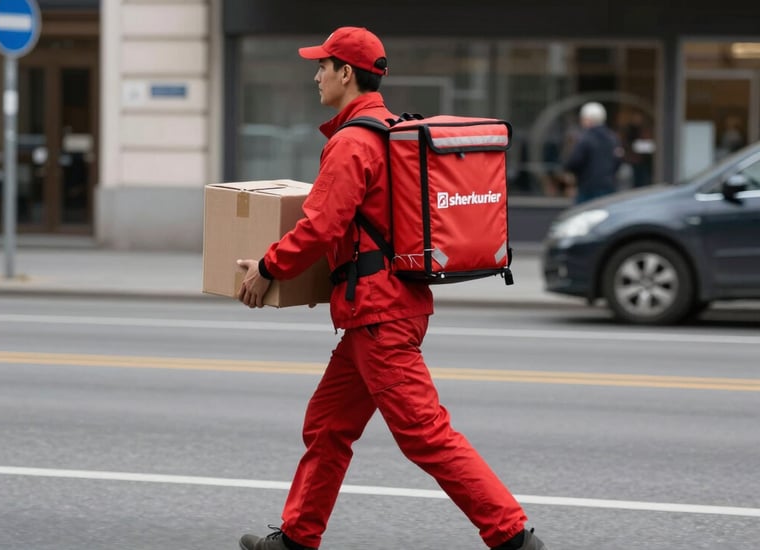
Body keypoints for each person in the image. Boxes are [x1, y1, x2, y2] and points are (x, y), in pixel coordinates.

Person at [235, 26, 548, 550]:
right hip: (377, 310)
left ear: (346, 73)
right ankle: (296, 538)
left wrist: (267, 268)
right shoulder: (386, 130)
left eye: (322, 66)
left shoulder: (352, 143)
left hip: (379, 315)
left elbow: (319, 227)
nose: (316, 75)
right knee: (328, 425)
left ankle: (512, 536)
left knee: (426, 434)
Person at [564, 101, 624, 203]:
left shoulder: (585, 138)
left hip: (588, 188)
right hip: (608, 186)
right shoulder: (613, 138)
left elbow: (574, 162)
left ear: (588, 120)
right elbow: (618, 161)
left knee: (583, 216)